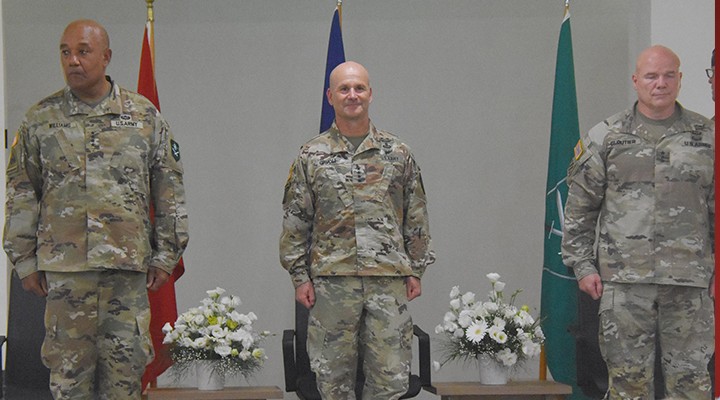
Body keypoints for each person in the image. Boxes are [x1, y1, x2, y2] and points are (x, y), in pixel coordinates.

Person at [3, 19, 188, 399]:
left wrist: (166, 255)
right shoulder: (40, 120)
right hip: (66, 275)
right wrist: (24, 260)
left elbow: (168, 189)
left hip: (126, 274)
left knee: (125, 381)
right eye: (66, 52)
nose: (73, 60)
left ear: (106, 57)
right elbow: (21, 192)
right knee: (69, 382)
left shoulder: (143, 116)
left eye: (83, 51)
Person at [562, 45, 714, 399]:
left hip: (689, 283)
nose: (660, 83)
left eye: (669, 75)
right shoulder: (606, 136)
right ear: (635, 81)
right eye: (651, 76)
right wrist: (582, 266)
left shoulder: (707, 136)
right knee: (628, 386)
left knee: (691, 386)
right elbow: (580, 208)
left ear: (679, 79)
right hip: (625, 284)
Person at [279, 61, 434, 399]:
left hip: (387, 280)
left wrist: (416, 269)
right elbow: (296, 219)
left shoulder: (398, 153)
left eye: (359, 88)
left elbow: (416, 214)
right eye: (344, 89)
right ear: (330, 96)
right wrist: (300, 276)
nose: (352, 95)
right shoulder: (311, 155)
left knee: (391, 379)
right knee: (332, 380)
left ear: (370, 94)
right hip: (333, 283)